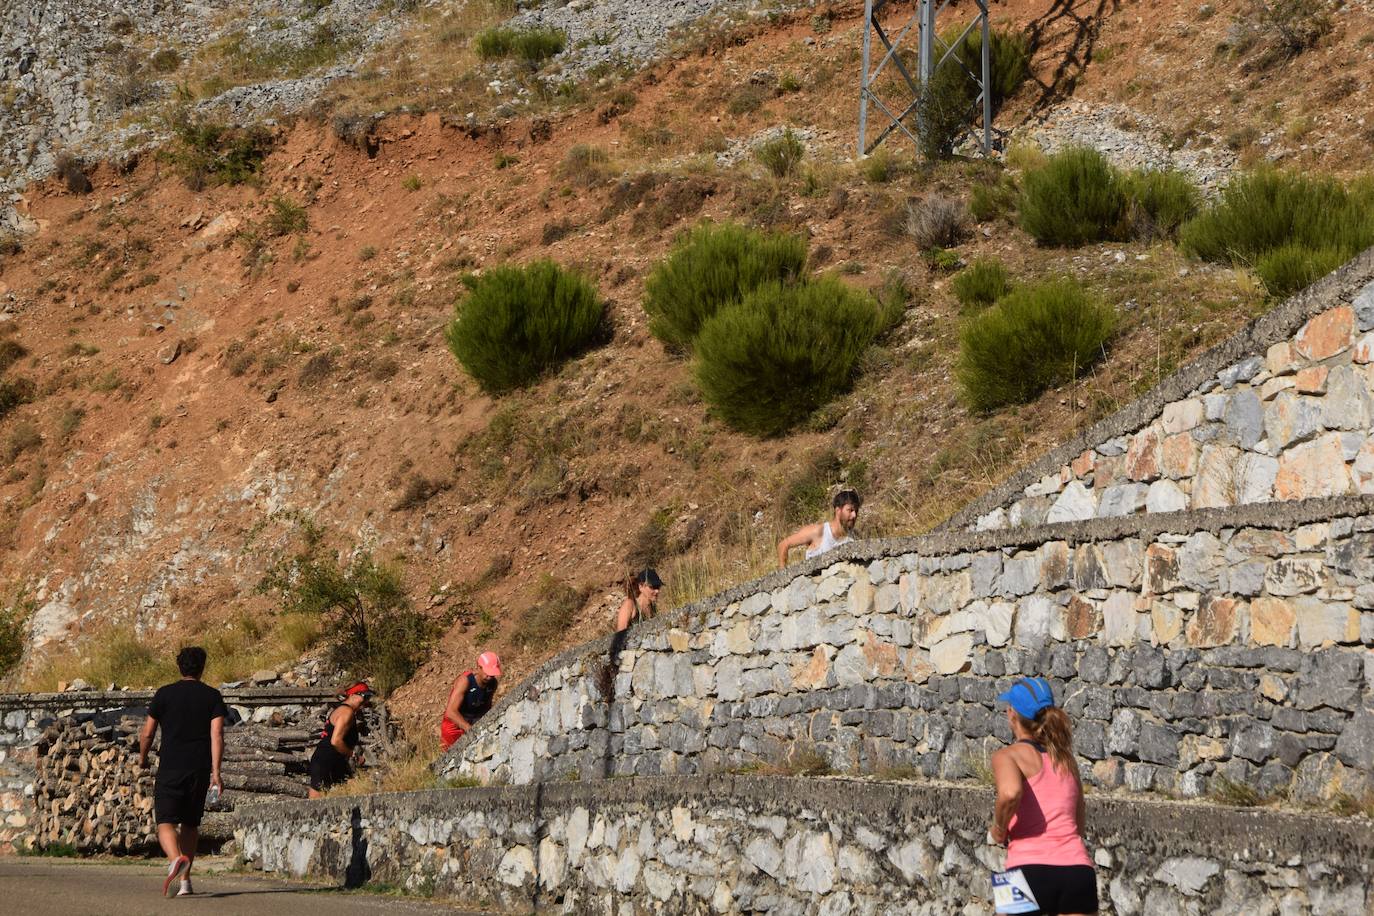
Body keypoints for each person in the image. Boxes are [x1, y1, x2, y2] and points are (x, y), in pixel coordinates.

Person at [988, 677, 1098, 916]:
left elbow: (1010, 793)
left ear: (1011, 714)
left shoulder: (1006, 756)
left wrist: (998, 829)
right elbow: (1078, 826)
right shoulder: (1067, 761)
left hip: (1023, 868)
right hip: (1077, 869)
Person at [137, 646, 227, 898]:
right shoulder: (212, 696)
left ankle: (176, 859)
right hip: (198, 768)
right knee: (190, 824)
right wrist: (216, 771)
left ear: (179, 667)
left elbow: (147, 733)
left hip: (170, 767)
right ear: (202, 668)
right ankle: (185, 883)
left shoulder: (164, 694)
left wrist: (143, 758)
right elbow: (217, 734)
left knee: (165, 822)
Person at [307, 681, 374, 799]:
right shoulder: (346, 712)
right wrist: (353, 755)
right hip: (325, 762)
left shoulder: (346, 711)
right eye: (364, 697)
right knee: (316, 806)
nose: (366, 701)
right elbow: (336, 741)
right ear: (353, 695)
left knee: (347, 793)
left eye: (368, 697)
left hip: (334, 762)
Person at [776, 489, 861, 568]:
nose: (854, 515)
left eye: (856, 511)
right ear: (838, 510)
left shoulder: (854, 537)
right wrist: (783, 576)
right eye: (850, 510)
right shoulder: (819, 532)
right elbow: (783, 545)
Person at [440, 652, 502, 750]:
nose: (489, 677)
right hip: (454, 724)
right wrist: (469, 729)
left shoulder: (493, 684)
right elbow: (450, 712)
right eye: (487, 672)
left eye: (492, 674)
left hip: (473, 720)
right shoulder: (465, 681)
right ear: (479, 667)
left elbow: (486, 707)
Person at [609, 568, 662, 667]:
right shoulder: (630, 605)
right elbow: (619, 637)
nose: (657, 591)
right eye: (652, 587)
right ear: (641, 586)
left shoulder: (653, 609)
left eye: (658, 586)